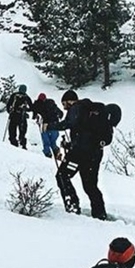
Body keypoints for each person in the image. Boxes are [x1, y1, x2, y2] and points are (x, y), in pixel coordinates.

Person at [47, 89, 110, 220]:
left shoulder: (77, 107)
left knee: (62, 176)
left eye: (64, 104)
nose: (64, 109)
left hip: (79, 154)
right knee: (90, 185)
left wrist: (49, 126)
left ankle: (72, 206)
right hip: (95, 153)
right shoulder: (89, 110)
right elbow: (85, 133)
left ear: (69, 101)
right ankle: (100, 213)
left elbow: (68, 124)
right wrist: (70, 145)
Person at [30, 92, 63, 160]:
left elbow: (34, 112)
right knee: (52, 141)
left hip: (45, 125)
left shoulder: (38, 104)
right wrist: (59, 115)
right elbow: (60, 113)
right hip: (55, 124)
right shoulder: (51, 104)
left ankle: (48, 155)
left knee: (46, 142)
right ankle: (56, 151)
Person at [4, 84, 33, 149]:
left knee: (12, 131)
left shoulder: (14, 95)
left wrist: (9, 111)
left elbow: (8, 105)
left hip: (13, 115)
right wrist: (26, 110)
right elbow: (31, 108)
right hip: (22, 116)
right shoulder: (26, 97)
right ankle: (22, 144)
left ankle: (13, 143)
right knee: (22, 131)